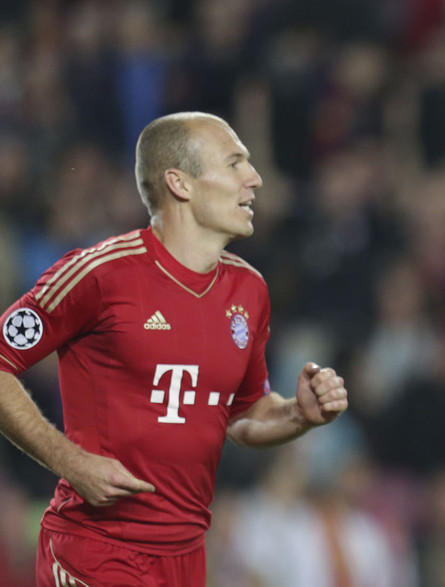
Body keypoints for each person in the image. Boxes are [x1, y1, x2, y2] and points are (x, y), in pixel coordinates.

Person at [0, 112, 349, 586]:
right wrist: (69, 460)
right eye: (234, 163)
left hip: (185, 558)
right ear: (179, 183)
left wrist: (297, 415)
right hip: (96, 551)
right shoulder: (99, 274)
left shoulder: (249, 291)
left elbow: (242, 415)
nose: (254, 178)